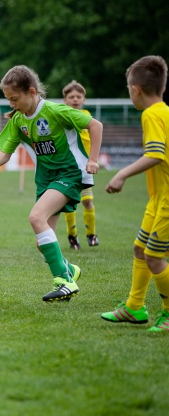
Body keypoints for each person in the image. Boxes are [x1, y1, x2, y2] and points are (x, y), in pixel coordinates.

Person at [0, 65, 102, 302]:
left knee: (36, 218)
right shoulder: (18, 120)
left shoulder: (54, 111)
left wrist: (93, 160)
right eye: (8, 99)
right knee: (42, 242)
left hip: (70, 173)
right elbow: (5, 153)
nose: (11, 104)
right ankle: (70, 270)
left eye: (14, 98)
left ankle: (63, 280)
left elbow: (95, 125)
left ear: (31, 91)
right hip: (46, 179)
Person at [101, 55, 169, 332]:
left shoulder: (151, 114)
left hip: (167, 201)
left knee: (154, 257)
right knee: (140, 249)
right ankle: (134, 307)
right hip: (157, 199)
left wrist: (121, 174)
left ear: (135, 89)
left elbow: (155, 154)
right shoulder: (164, 111)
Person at [62, 80, 99, 250]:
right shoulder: (62, 116)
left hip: (85, 167)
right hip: (68, 166)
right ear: (65, 100)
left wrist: (93, 158)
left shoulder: (87, 116)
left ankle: (91, 234)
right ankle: (72, 236)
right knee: (69, 203)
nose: (75, 99)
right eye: (71, 97)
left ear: (83, 99)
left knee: (87, 201)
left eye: (79, 96)